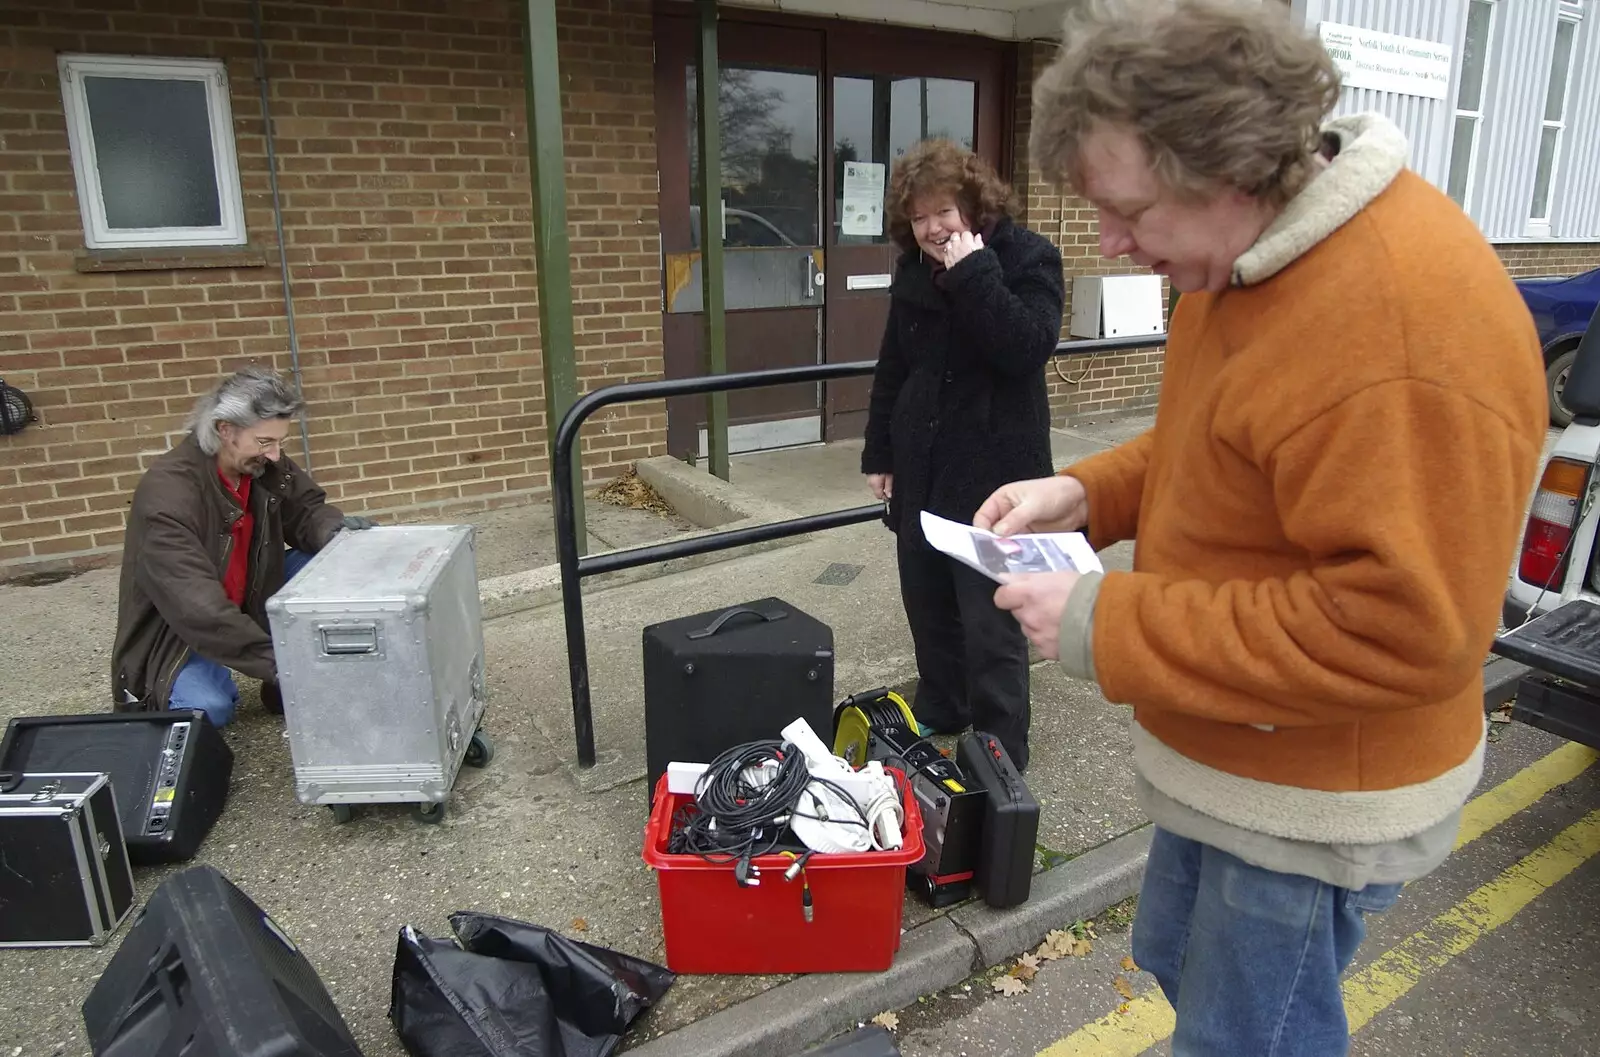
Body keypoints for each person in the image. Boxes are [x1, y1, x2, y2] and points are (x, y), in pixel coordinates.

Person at [978, 1, 1547, 1053]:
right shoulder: (1243, 254)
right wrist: (1088, 494)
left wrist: (1107, 622)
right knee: (1180, 975)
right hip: (1238, 761)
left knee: (1246, 1038)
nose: (1108, 244)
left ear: (1230, 167)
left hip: (1311, 801)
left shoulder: (1396, 327)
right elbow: (1227, 452)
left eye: (1128, 210)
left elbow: (1404, 626)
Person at [861, 139, 1066, 772]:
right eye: (919, 218)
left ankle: (1003, 740)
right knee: (927, 602)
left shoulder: (1029, 257)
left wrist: (974, 274)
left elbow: (1025, 347)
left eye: (943, 212)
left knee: (991, 616)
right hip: (923, 462)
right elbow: (895, 365)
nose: (932, 229)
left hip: (996, 475)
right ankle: (944, 705)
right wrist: (880, 451)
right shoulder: (913, 270)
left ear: (974, 204)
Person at [112, 367, 377, 728]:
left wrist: (335, 532)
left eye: (280, 442)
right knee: (208, 709)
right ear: (225, 430)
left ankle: (283, 688)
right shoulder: (168, 495)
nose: (274, 454)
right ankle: (283, 676)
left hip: (248, 593)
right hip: (179, 630)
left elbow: (306, 511)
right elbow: (199, 609)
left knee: (330, 562)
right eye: (265, 441)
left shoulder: (260, 464)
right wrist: (283, 663)